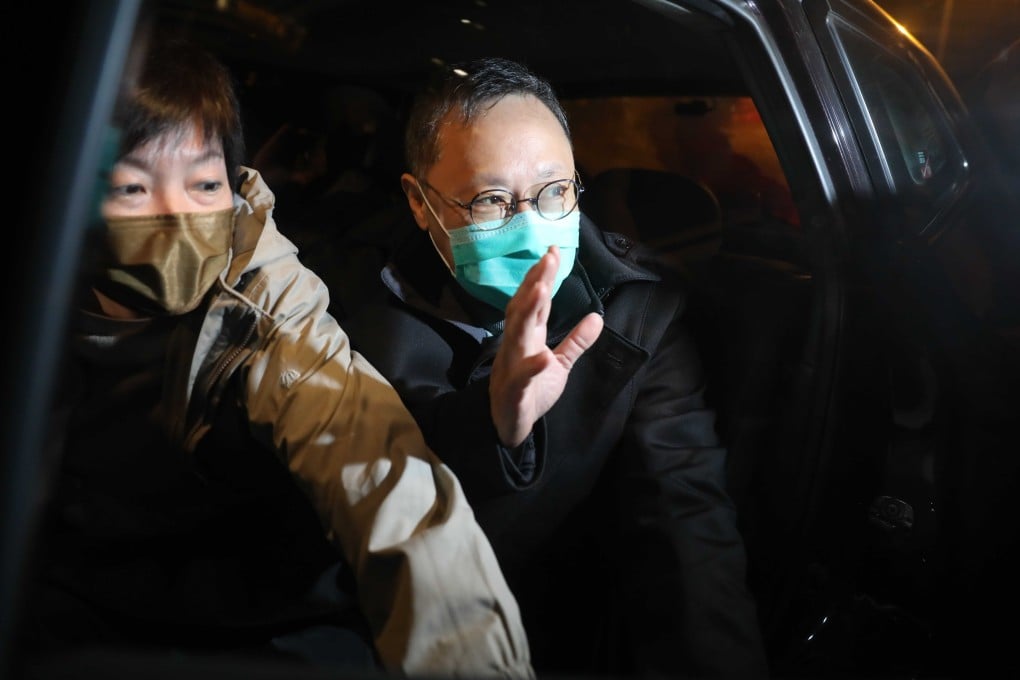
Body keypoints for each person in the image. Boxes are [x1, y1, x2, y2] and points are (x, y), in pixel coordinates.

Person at [18, 37, 532, 679]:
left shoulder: (263, 298)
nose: (177, 214)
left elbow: (381, 473)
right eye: (133, 186)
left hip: (254, 628)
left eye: (205, 183)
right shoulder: (37, 298)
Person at [337, 57, 768, 677]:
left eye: (554, 191)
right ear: (419, 202)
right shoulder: (354, 300)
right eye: (491, 200)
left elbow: (685, 526)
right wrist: (492, 424)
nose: (533, 226)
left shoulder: (640, 313)